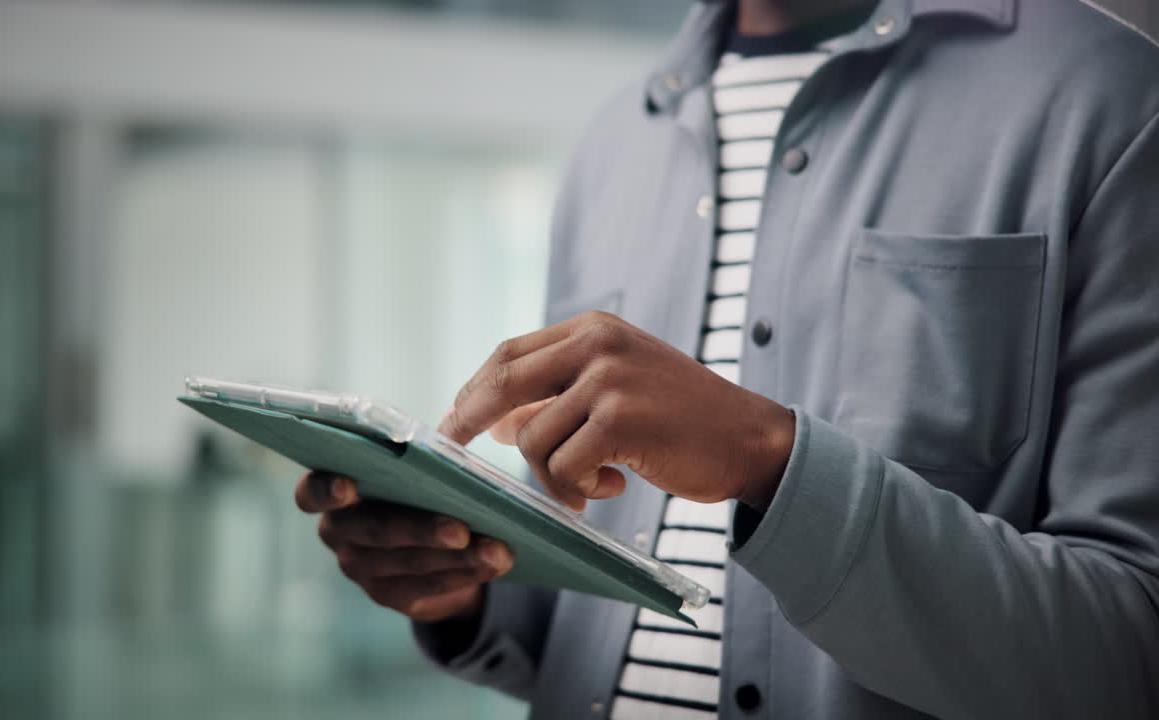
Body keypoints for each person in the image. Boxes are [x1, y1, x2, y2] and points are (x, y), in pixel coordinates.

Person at [295, 0, 1159, 717]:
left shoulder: (1111, 101)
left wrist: (767, 458)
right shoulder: (613, 143)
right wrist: (464, 585)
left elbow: (1132, 654)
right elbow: (589, 616)